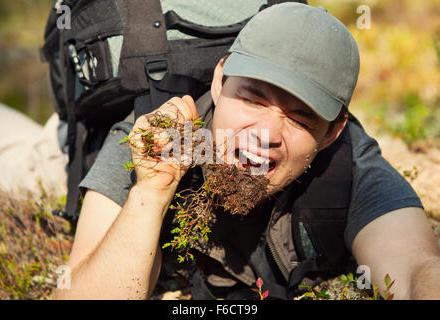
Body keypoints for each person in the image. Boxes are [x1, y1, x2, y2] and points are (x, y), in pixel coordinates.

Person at [54, 3, 439, 300]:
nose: (267, 133)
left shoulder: (350, 162)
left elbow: (416, 269)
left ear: (332, 132)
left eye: (300, 119)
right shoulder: (153, 138)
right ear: (220, 82)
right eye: (253, 99)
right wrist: (151, 192)